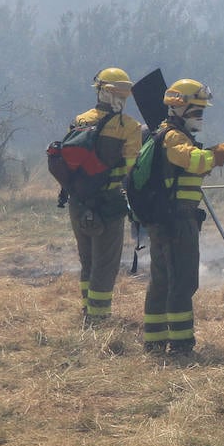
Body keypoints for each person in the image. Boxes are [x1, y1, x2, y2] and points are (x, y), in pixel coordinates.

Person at [141, 79, 224, 356]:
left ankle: (155, 341)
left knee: (162, 282)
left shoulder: (165, 135)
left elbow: (185, 169)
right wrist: (218, 154)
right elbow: (194, 161)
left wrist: (210, 156)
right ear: (179, 109)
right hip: (176, 221)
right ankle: (181, 345)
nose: (200, 117)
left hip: (166, 219)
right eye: (196, 111)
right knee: (182, 282)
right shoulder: (173, 137)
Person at [68, 68, 142, 324]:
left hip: (78, 203)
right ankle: (99, 319)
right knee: (105, 263)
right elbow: (133, 168)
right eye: (121, 92)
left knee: (87, 260)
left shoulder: (79, 120)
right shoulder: (129, 127)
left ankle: (88, 310)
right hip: (108, 204)